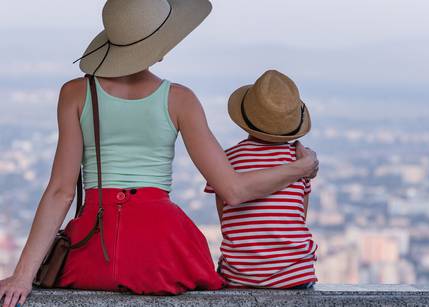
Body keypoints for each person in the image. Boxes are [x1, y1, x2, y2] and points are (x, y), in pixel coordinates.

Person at [0, 0, 319, 306]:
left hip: (95, 248)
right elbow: (233, 189)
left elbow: (61, 191)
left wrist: (22, 275)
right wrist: (301, 168)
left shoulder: (75, 94)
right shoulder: (180, 99)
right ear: (158, 49)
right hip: (162, 249)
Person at [204, 70, 318, 289]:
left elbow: (225, 221)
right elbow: (299, 218)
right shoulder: (297, 161)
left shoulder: (226, 161)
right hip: (295, 276)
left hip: (239, 276)